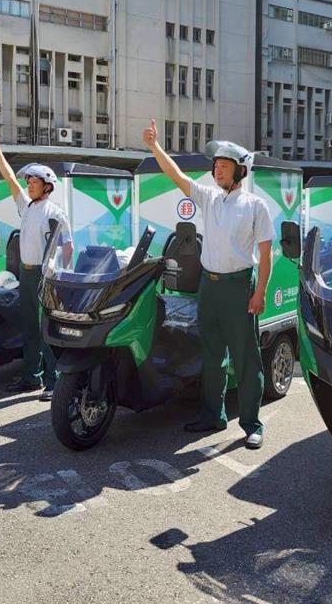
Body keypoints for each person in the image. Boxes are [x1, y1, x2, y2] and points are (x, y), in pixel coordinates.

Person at [142, 119, 273, 450]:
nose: (218, 171)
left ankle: (252, 424)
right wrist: (155, 147)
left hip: (239, 286)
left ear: (240, 171)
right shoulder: (209, 197)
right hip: (209, 286)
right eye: (216, 166)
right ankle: (213, 415)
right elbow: (176, 175)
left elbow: (265, 254)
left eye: (224, 166)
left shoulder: (255, 206)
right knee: (212, 356)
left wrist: (260, 293)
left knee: (246, 358)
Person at [0, 137, 71, 401]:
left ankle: (53, 381)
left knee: (46, 328)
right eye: (29, 182)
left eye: (34, 182)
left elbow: (67, 246)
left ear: (47, 186)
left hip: (46, 277)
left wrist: (59, 276)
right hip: (27, 273)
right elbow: (11, 180)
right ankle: (31, 377)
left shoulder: (54, 212)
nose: (29, 185)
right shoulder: (27, 206)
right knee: (29, 327)